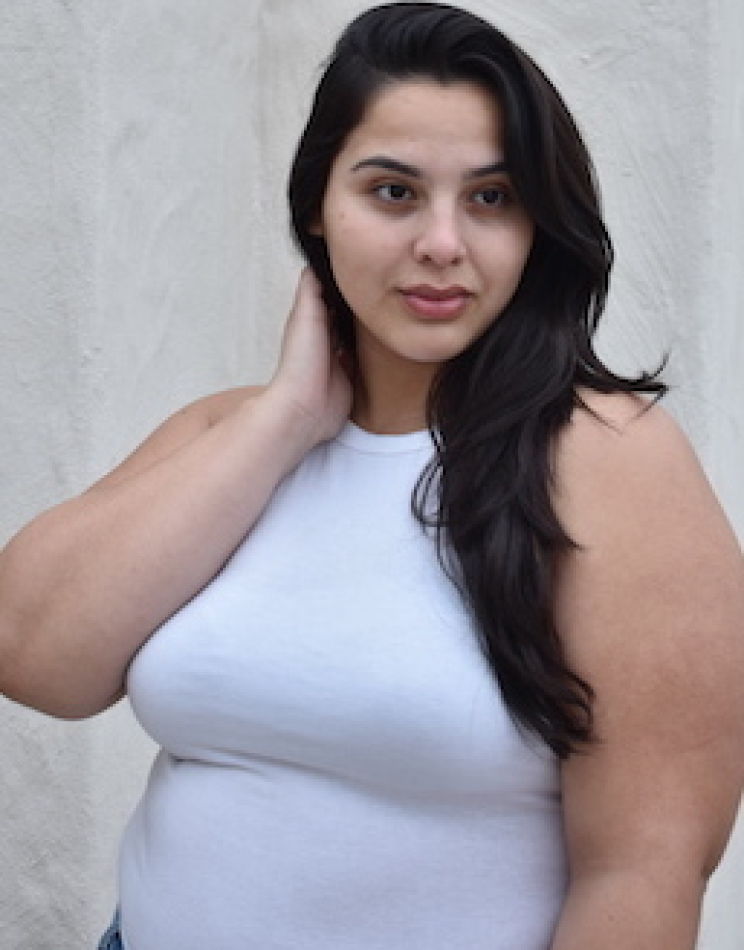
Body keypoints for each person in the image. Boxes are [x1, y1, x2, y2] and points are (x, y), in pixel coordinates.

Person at [1, 3, 742, 948]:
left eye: (491, 197)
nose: (443, 243)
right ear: (318, 206)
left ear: (537, 226)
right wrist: (289, 417)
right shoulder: (233, 433)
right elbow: (34, 659)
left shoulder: (607, 458)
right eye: (394, 192)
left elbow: (644, 870)